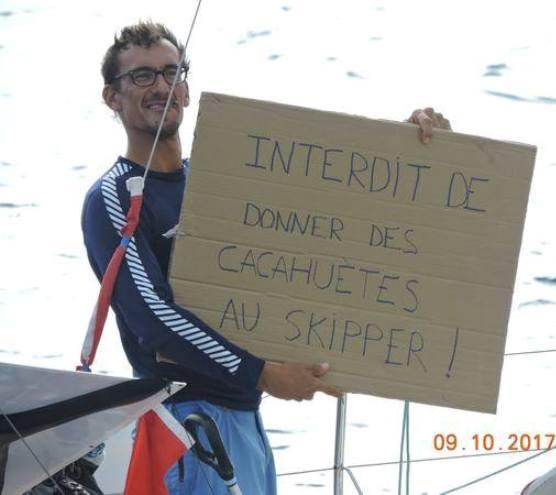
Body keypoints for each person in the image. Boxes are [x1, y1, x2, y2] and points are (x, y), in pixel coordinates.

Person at [81, 21, 450, 495]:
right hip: (185, 426)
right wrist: (262, 372)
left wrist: (405, 150)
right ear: (112, 97)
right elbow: (152, 317)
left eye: (172, 72)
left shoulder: (216, 185)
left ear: (188, 90)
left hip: (245, 421)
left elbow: (317, 230)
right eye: (142, 76)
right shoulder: (113, 197)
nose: (161, 86)